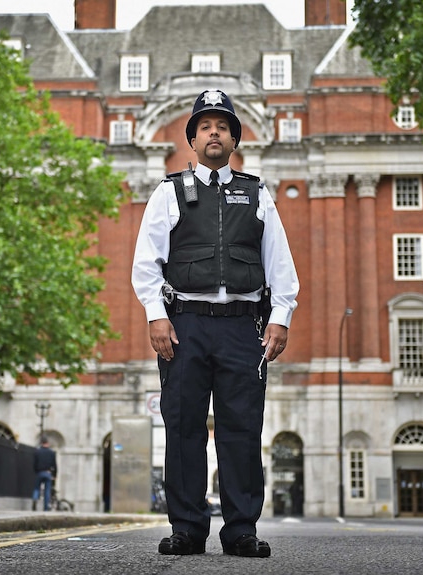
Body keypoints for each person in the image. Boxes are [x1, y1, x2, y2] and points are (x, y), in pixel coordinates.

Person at [131, 89, 299, 558]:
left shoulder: (258, 194)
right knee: (183, 426)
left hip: (242, 328)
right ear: (193, 138)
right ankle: (186, 528)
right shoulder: (169, 192)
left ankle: (241, 529)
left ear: (233, 139)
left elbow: (280, 264)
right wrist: (156, 316)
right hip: (184, 325)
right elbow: (147, 264)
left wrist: (280, 318)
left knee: (241, 428)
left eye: (222, 126)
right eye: (205, 126)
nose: (214, 133)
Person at [31, 436, 57, 511]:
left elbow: (34, 464)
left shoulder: (37, 452)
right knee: (47, 490)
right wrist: (54, 475)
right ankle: (45, 507)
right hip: (48, 472)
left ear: (41, 443)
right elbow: (54, 465)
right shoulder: (52, 452)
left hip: (39, 472)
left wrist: (36, 471)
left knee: (36, 488)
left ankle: (35, 498)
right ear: (47, 443)